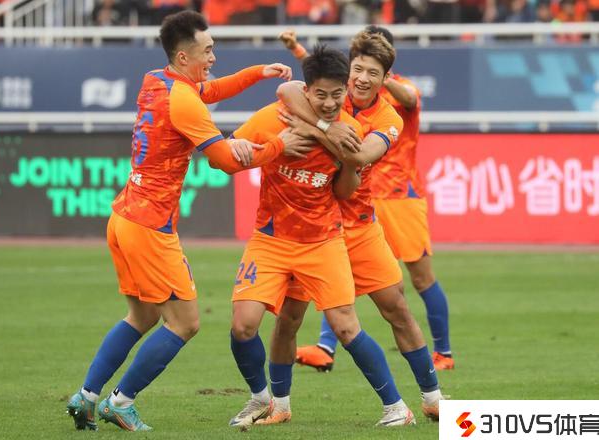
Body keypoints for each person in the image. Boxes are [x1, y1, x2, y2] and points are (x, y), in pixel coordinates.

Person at [65, 10, 307, 432]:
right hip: (150, 225)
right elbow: (223, 162)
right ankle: (121, 402)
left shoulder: (156, 81)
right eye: (207, 51)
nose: (213, 57)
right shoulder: (184, 101)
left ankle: (85, 397)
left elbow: (209, 90)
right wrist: (276, 145)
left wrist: (257, 73)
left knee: (141, 317)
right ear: (183, 57)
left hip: (124, 215)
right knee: (185, 323)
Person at [227, 44, 413, 430]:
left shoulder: (351, 131)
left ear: (346, 90)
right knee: (244, 325)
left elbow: (344, 191)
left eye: (337, 94)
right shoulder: (275, 116)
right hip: (271, 239)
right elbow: (228, 156)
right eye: (321, 94)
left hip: (323, 240)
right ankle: (266, 400)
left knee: (346, 326)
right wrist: (242, 145)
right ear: (307, 90)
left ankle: (396, 407)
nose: (329, 103)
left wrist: (338, 153)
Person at [270, 29, 444, 426]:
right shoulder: (333, 96)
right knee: (289, 318)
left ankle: (433, 398)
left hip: (359, 226)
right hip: (311, 228)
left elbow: (362, 155)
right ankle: (278, 405)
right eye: (358, 69)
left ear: (386, 79)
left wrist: (314, 128)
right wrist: (327, 124)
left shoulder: (389, 117)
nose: (363, 79)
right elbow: (288, 90)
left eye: (373, 73)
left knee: (397, 309)